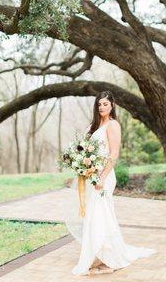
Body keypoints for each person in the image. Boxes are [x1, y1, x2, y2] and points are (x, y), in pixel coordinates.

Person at [63, 90, 157, 276]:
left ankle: (109, 260)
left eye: (105, 104)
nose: (102, 107)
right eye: (99, 104)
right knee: (93, 215)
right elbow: (85, 150)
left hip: (104, 176)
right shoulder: (93, 125)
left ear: (112, 105)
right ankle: (97, 255)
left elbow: (113, 154)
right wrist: (81, 163)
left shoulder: (113, 125)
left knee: (101, 214)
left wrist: (102, 177)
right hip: (92, 176)